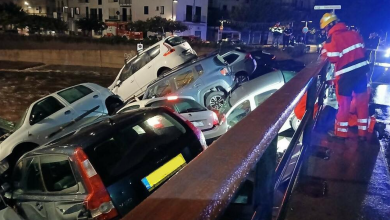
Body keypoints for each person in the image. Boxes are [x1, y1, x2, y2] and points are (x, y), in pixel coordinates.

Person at [320, 13, 370, 141]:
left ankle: (341, 134)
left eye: (325, 28)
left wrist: (324, 49)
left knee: (344, 105)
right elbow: (363, 50)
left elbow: (333, 58)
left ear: (329, 26)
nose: (325, 31)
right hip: (361, 73)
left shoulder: (332, 39)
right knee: (362, 103)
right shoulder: (354, 33)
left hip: (345, 76)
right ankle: (362, 134)